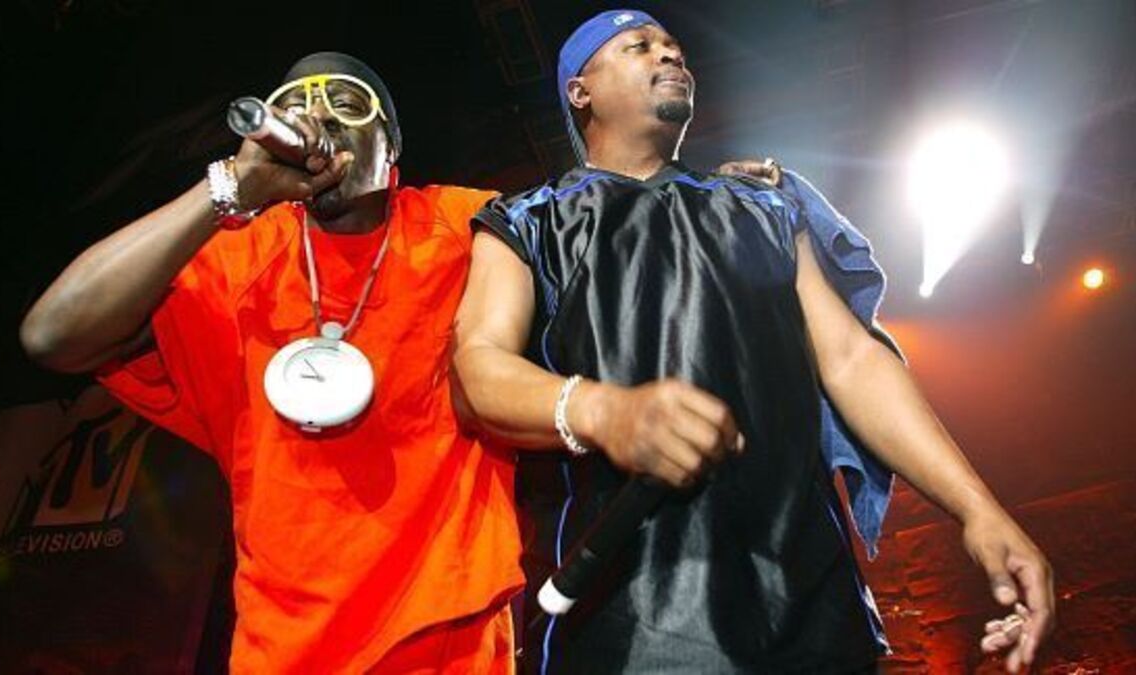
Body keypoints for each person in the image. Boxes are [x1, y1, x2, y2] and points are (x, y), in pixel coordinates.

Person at [452, 9, 1054, 674]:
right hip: (627, 628)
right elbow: (477, 370)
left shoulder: (763, 205)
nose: (669, 55)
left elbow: (851, 359)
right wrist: (603, 410)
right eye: (639, 46)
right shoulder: (525, 222)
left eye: (674, 47)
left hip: (811, 614)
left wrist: (977, 509)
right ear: (580, 91)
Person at [20, 52, 525, 673]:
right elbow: (52, 335)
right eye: (295, 108)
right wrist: (230, 188)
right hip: (282, 646)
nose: (318, 119)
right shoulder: (235, 259)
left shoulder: (462, 224)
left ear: (391, 146)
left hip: (444, 635)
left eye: (346, 104)